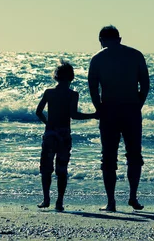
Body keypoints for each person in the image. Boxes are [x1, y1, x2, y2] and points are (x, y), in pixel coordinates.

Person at [88, 25, 150, 212]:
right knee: (134, 156)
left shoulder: (98, 58)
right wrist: (138, 104)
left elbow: (93, 87)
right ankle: (133, 197)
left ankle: (111, 202)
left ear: (101, 40)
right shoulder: (136, 55)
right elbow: (145, 84)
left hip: (109, 111)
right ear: (119, 39)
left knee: (108, 158)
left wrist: (99, 108)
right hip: (131, 110)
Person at [36, 60, 98, 212]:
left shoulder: (49, 93)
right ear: (72, 78)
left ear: (55, 77)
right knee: (61, 170)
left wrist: (47, 123)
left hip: (50, 134)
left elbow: (38, 112)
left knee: (46, 169)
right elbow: (74, 115)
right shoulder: (73, 94)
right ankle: (59, 202)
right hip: (64, 135)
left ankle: (46, 199)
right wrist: (93, 115)